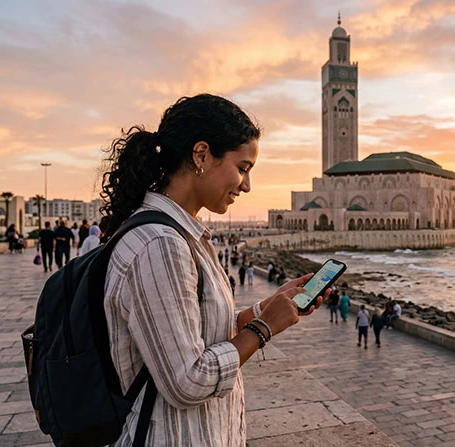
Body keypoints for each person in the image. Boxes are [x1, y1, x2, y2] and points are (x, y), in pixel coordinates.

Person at [98, 93, 326, 446]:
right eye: (243, 168)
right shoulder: (161, 244)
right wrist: (265, 328)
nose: (247, 186)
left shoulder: (182, 236)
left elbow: (198, 330)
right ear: (201, 154)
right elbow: (188, 379)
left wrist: (269, 306)